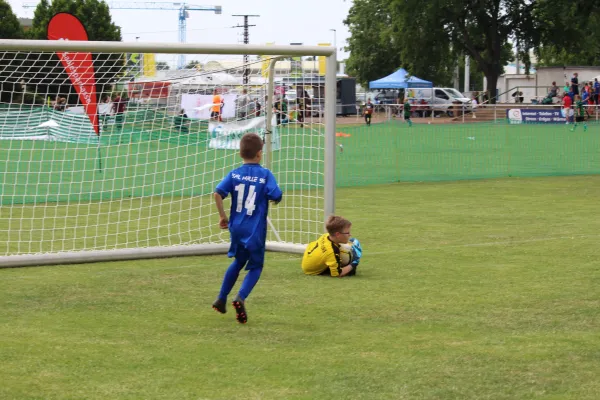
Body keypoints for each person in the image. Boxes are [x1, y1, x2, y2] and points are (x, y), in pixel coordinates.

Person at [211, 133, 283, 324]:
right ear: (260, 154)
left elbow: (217, 194)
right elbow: (276, 194)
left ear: (240, 154)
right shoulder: (265, 174)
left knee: (238, 261)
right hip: (255, 229)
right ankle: (240, 297)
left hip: (236, 227)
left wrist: (222, 216)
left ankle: (221, 297)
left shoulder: (234, 174)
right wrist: (274, 197)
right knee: (256, 266)